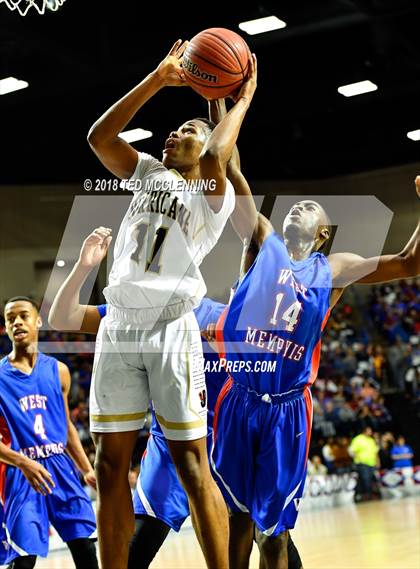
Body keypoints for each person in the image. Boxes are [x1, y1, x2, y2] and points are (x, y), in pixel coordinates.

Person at [85, 39, 257, 569]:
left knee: (190, 461)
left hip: (170, 327)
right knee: (110, 466)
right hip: (119, 326)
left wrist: (240, 97)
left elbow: (214, 154)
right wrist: (158, 78)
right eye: (174, 129)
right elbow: (99, 137)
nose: (173, 134)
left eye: (187, 130)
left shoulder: (215, 193)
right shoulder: (148, 174)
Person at [207, 170, 420, 568]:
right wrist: (225, 108)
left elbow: (410, 262)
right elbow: (226, 170)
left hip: (285, 409)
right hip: (238, 398)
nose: (298, 208)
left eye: (309, 208)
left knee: (272, 534)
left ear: (322, 234)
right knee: (236, 520)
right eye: (294, 205)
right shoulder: (261, 242)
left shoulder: (333, 269)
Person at [0, 297, 98, 569]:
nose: (17, 322)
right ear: (7, 328)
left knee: (85, 548)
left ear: (38, 321)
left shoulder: (59, 371)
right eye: (10, 319)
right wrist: (22, 462)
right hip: (21, 472)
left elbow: (65, 426)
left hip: (61, 468)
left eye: (23, 316)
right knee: (24, 559)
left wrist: (86, 468)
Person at [349, 427, 380, 501]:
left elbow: (375, 452)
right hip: (362, 464)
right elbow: (352, 451)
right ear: (364, 431)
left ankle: (364, 495)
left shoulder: (371, 440)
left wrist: (378, 461)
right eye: (369, 431)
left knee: (371, 480)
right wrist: (358, 459)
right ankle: (367, 496)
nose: (371, 432)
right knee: (366, 479)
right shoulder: (358, 439)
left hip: (372, 464)